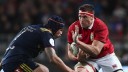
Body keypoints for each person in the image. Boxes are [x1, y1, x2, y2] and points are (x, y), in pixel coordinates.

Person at [1, 15, 76, 72]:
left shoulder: (33, 27)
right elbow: (53, 59)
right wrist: (70, 71)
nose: (61, 33)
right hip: (17, 61)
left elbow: (14, 44)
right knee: (43, 70)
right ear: (54, 28)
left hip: (6, 61)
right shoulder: (47, 34)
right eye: (60, 30)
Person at [67, 4, 124, 72]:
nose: (81, 20)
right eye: (80, 17)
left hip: (105, 56)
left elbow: (96, 51)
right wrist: (76, 58)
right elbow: (69, 51)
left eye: (85, 17)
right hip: (88, 59)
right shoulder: (73, 27)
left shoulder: (100, 26)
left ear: (92, 17)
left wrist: (78, 42)